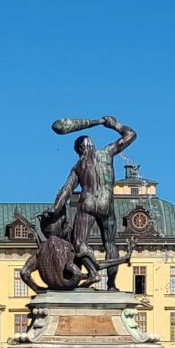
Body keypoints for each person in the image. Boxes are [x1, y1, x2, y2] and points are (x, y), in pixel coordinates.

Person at [50, 116, 136, 290]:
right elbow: (131, 134)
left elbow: (66, 190)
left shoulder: (78, 166)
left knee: (79, 242)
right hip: (107, 203)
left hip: (87, 203)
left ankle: (91, 272)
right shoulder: (107, 153)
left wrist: (55, 209)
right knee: (110, 244)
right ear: (92, 146)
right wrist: (114, 125)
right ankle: (111, 285)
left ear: (79, 150)